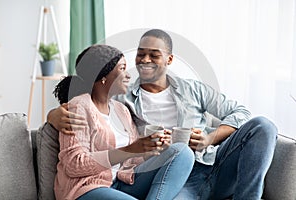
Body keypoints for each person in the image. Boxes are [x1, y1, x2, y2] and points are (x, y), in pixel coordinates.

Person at [48, 29, 278, 199]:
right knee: (180, 153)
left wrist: (210, 138)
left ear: (169, 59)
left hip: (214, 163)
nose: (144, 60)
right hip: (178, 180)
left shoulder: (193, 89)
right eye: (140, 54)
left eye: (154, 55)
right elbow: (88, 102)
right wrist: (53, 116)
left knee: (263, 126)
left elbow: (241, 112)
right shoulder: (121, 99)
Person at [52, 44, 194, 200]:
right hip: (87, 187)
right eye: (122, 68)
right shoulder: (78, 107)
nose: (128, 75)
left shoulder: (121, 110)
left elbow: (131, 159)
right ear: (103, 77)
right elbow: (74, 165)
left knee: (181, 152)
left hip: (121, 181)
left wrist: (151, 148)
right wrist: (130, 149)